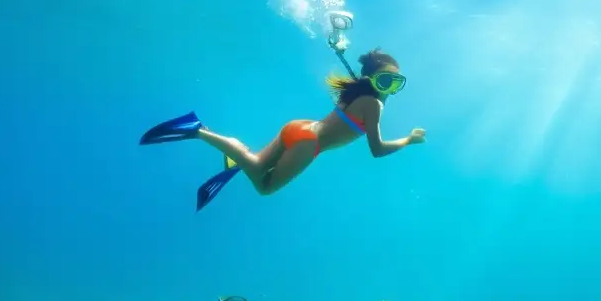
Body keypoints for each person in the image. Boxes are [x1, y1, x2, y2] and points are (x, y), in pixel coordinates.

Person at [139, 49, 426, 210]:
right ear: (371, 80)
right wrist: (408, 140)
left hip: (300, 127)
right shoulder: (374, 106)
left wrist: (369, 83)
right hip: (308, 143)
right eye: (385, 81)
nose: (389, 89)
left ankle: (234, 156)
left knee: (258, 165)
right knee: (264, 186)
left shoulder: (357, 94)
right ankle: (199, 131)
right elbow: (377, 150)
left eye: (396, 83)